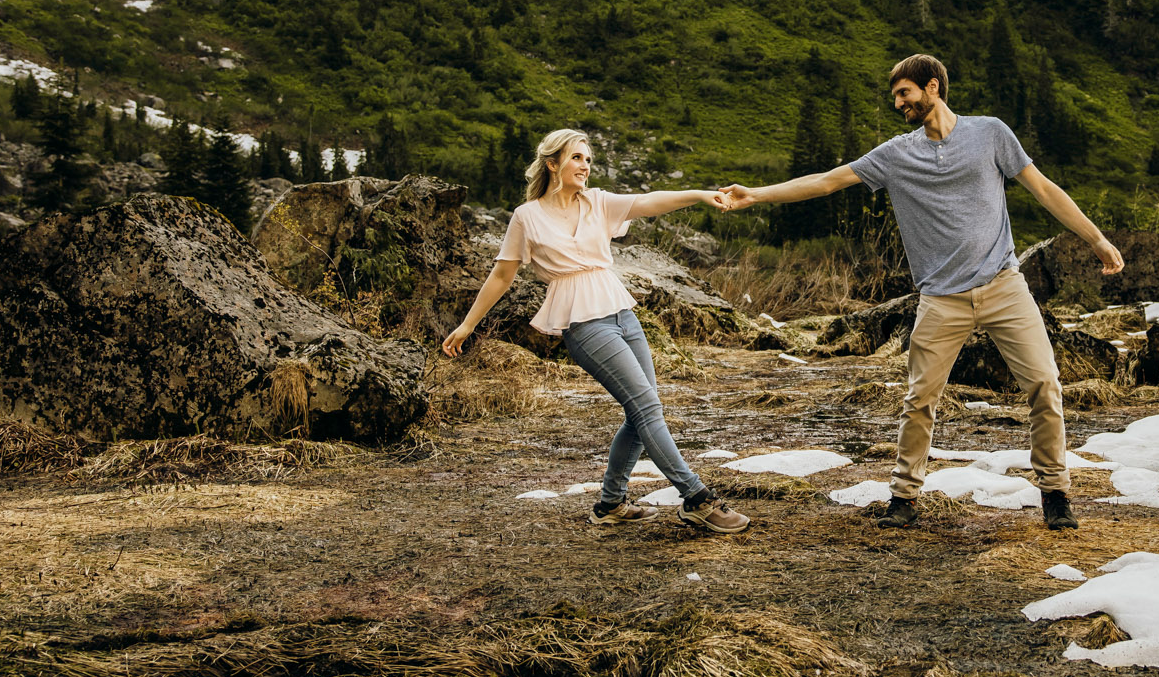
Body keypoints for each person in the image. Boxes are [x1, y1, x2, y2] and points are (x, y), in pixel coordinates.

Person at [722, 54, 1122, 531]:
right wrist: (757, 194)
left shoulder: (990, 133)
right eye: (896, 96)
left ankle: (1056, 494)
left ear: (932, 87)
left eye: (904, 93)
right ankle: (904, 497)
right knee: (919, 399)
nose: (898, 104)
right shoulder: (895, 154)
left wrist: (1096, 239)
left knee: (1045, 385)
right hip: (940, 300)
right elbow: (827, 182)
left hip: (1004, 286)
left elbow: (1044, 189)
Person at [443, 128, 750, 534]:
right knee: (646, 409)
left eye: (588, 159)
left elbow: (648, 202)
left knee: (641, 411)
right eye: (576, 158)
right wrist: (467, 325)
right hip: (582, 321)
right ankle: (696, 497)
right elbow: (502, 275)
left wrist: (697, 194)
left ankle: (610, 505)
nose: (585, 166)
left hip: (622, 311)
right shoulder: (527, 217)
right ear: (553, 163)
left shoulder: (598, 202)